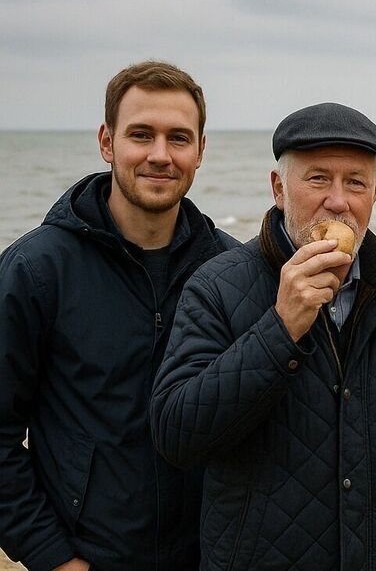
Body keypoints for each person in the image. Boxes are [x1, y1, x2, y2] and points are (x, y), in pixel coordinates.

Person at [151, 103, 376, 570]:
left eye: (355, 182)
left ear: (375, 193)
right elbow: (176, 434)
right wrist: (280, 328)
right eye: (318, 179)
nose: (338, 201)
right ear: (279, 188)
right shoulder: (216, 285)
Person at [0, 61, 237, 571]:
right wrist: (51, 556)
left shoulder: (231, 271)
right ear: (107, 142)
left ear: (201, 150)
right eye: (140, 135)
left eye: (178, 138)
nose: (160, 155)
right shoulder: (37, 271)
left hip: (209, 557)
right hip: (88, 558)